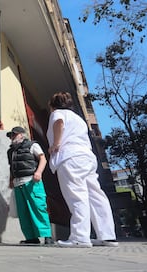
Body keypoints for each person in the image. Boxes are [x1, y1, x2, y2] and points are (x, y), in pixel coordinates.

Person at [47, 92, 118, 248]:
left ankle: (80, 237)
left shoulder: (57, 113)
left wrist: (56, 144)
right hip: (87, 157)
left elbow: (59, 123)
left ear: (52, 105)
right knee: (95, 195)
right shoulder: (78, 119)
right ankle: (107, 236)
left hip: (70, 157)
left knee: (77, 196)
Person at [7, 126, 54, 245]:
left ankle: (47, 235)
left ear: (22, 135)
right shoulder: (11, 151)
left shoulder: (32, 145)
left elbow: (42, 159)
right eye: (11, 135)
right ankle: (31, 237)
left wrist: (38, 172)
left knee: (38, 208)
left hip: (31, 181)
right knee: (23, 212)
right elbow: (12, 167)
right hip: (18, 183)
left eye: (14, 134)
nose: (12, 137)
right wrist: (11, 180)